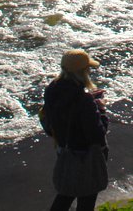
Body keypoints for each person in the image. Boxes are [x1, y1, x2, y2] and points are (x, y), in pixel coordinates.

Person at [39, 49, 109, 211]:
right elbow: (97, 135)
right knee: (87, 197)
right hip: (86, 155)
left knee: (66, 193)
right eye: (88, 68)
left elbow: (53, 122)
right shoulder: (83, 100)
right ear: (83, 72)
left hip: (64, 150)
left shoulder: (52, 90)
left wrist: (91, 102)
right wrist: (101, 110)